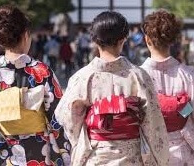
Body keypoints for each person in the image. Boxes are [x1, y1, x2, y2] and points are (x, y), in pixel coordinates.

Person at [55, 11, 169, 166]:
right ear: (123, 39)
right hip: (131, 158)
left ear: (95, 40)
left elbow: (67, 119)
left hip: (94, 157)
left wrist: (82, 138)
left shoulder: (81, 77)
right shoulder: (138, 76)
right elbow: (153, 123)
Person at [0, 5, 70, 166]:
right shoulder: (42, 72)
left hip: (1, 151)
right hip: (38, 150)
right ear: (26, 35)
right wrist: (64, 152)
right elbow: (59, 115)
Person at [141, 10, 194, 165]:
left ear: (147, 39)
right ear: (173, 40)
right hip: (184, 152)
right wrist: (182, 110)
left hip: (150, 152)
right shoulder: (190, 75)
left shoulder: (136, 77)